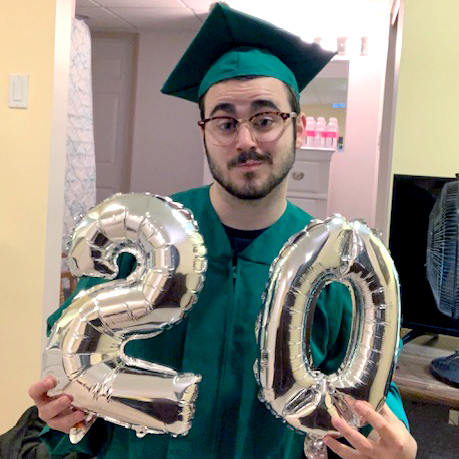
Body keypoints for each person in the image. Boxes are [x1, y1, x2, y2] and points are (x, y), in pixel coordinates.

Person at [28, 3, 417, 459]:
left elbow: (367, 386)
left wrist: (393, 444)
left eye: (266, 118)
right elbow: (73, 374)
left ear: (301, 129)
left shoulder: (334, 270)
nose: (246, 140)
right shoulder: (140, 249)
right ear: (204, 133)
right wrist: (61, 414)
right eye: (225, 121)